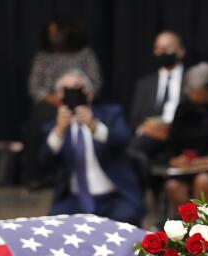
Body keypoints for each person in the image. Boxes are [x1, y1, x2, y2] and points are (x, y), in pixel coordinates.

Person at [39, 70, 143, 225]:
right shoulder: (52, 126)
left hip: (114, 196)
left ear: (89, 94)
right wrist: (59, 131)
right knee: (54, 224)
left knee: (126, 218)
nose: (72, 94)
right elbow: (43, 161)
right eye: (66, 90)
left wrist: (94, 126)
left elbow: (124, 139)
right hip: (74, 199)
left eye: (77, 88)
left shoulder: (111, 113)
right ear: (59, 97)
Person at [24, 19, 102, 186]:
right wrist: (58, 101)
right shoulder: (43, 56)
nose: (54, 36)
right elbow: (35, 87)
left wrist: (82, 96)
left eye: (56, 32)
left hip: (83, 103)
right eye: (50, 33)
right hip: (52, 104)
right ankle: (36, 176)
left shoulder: (85, 54)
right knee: (35, 124)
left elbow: (95, 83)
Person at [126, 30, 187, 195]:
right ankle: (149, 196)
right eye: (158, 49)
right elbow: (135, 120)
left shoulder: (191, 80)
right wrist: (148, 129)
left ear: (180, 51)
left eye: (166, 48)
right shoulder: (144, 84)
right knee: (133, 151)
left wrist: (169, 131)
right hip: (149, 138)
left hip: (181, 136)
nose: (161, 53)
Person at [162, 62, 208, 208]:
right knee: (173, 186)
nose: (192, 94)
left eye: (196, 91)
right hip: (185, 167)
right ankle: (188, 226)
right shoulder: (184, 107)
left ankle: (206, 225)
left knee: (202, 181)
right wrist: (175, 159)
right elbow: (171, 141)